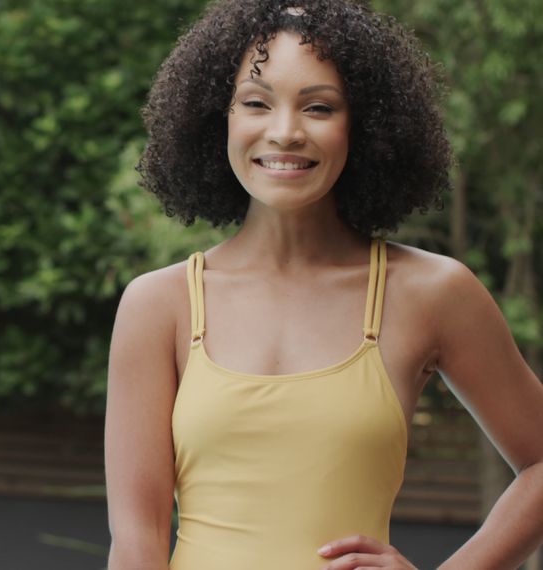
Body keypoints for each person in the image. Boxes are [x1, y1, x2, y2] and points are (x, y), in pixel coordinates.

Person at [103, 0, 543, 568]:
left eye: (319, 107)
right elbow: (137, 540)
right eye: (256, 103)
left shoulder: (432, 292)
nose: (285, 132)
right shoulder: (157, 305)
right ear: (220, 118)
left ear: (364, 126)